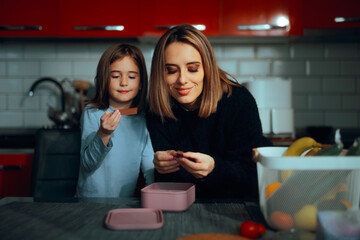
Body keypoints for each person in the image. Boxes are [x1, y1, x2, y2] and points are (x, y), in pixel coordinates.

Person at [146, 24, 272, 200]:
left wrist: (214, 169)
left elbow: (252, 176)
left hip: (236, 208)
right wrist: (162, 169)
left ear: (207, 67)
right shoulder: (156, 110)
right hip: (180, 208)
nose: (182, 80)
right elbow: (167, 188)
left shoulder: (238, 101)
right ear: (161, 74)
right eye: (171, 70)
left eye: (192, 69)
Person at [76, 43, 154, 198]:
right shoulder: (92, 113)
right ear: (104, 79)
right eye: (116, 76)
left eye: (131, 76)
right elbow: (88, 164)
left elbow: (149, 168)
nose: (124, 82)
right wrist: (104, 133)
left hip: (123, 203)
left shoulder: (143, 118)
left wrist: (153, 198)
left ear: (141, 83)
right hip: (88, 204)